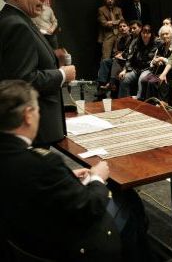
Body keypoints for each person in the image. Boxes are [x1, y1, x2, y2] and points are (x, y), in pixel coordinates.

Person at [0, 80, 152, 261]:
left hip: (21, 240)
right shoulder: (43, 163)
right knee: (128, 199)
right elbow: (89, 207)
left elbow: (25, 181)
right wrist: (97, 178)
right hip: (67, 246)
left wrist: (65, 177)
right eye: (38, 109)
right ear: (28, 116)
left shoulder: (17, 157)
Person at [0, 0, 76, 147]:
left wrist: (53, 59)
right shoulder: (17, 25)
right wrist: (62, 74)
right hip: (31, 127)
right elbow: (23, 81)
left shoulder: (13, 19)